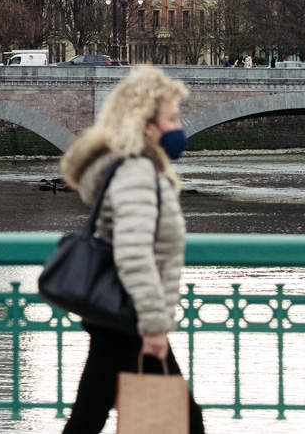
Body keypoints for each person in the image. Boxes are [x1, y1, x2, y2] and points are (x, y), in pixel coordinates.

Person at [57, 66, 205, 433]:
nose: (178, 127)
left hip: (119, 315)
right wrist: (154, 326)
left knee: (88, 417)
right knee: (186, 423)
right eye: (172, 118)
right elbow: (134, 251)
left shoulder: (128, 169)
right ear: (147, 126)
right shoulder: (137, 172)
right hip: (132, 318)